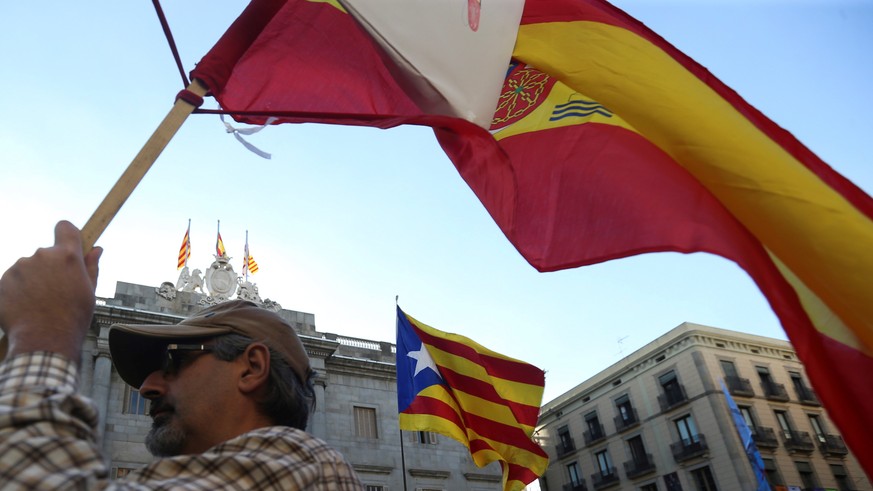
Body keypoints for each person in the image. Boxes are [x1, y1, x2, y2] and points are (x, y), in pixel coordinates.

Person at [0, 221, 364, 490]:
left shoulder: (292, 466)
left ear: (251, 367)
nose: (146, 387)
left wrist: (42, 336)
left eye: (174, 361)